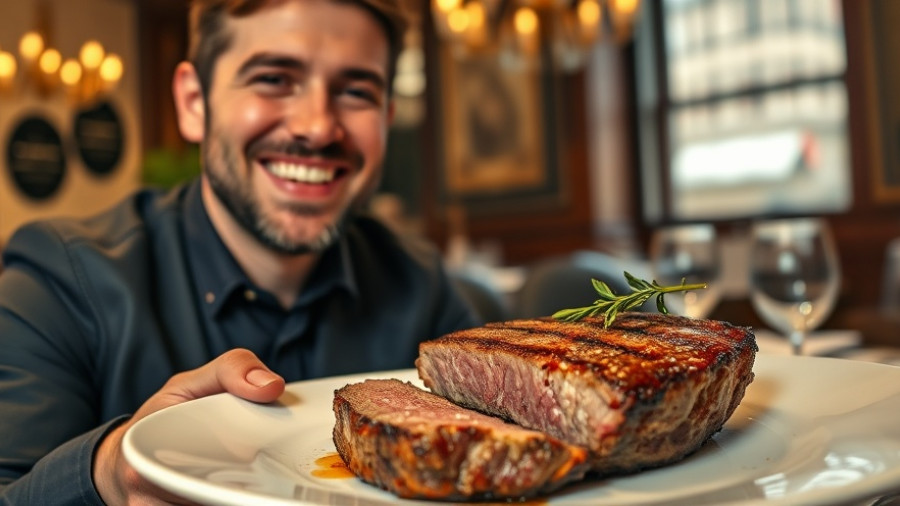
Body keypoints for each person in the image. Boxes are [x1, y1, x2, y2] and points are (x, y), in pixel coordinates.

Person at [0, 0, 478, 503]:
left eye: (356, 91)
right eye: (273, 79)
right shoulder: (59, 279)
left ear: (386, 117)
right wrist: (111, 471)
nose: (317, 127)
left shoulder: (420, 285)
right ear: (193, 102)